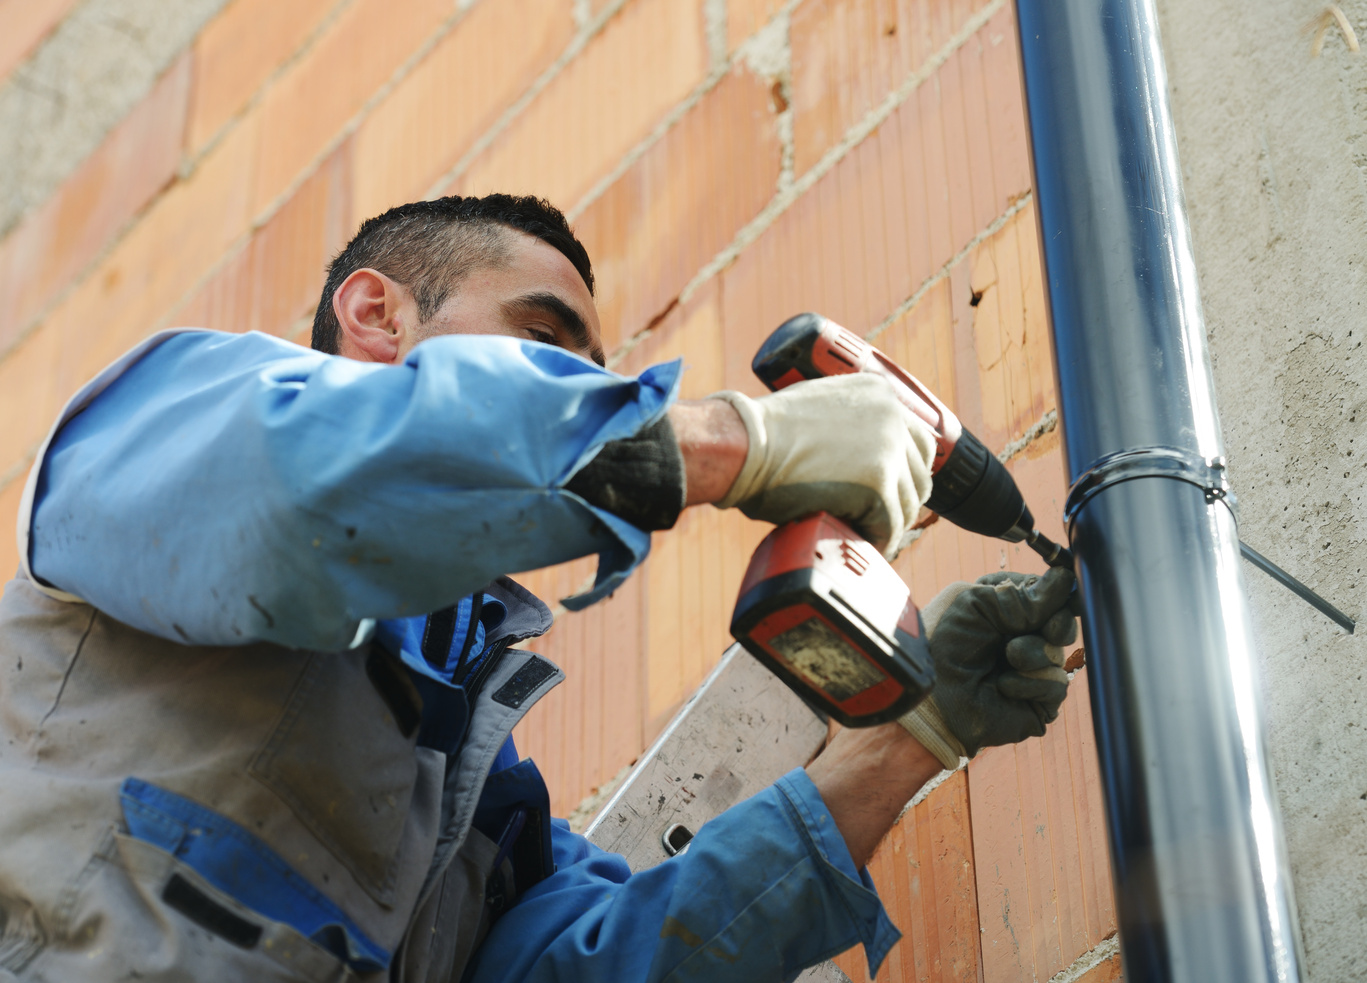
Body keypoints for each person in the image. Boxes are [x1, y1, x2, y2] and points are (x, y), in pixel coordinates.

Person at [0, 194, 1077, 983]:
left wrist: (911, 733)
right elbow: (303, 485)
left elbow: (609, 967)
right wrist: (724, 440)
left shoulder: (478, 813)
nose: (582, 390)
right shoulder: (169, 423)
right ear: (376, 313)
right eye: (544, 341)